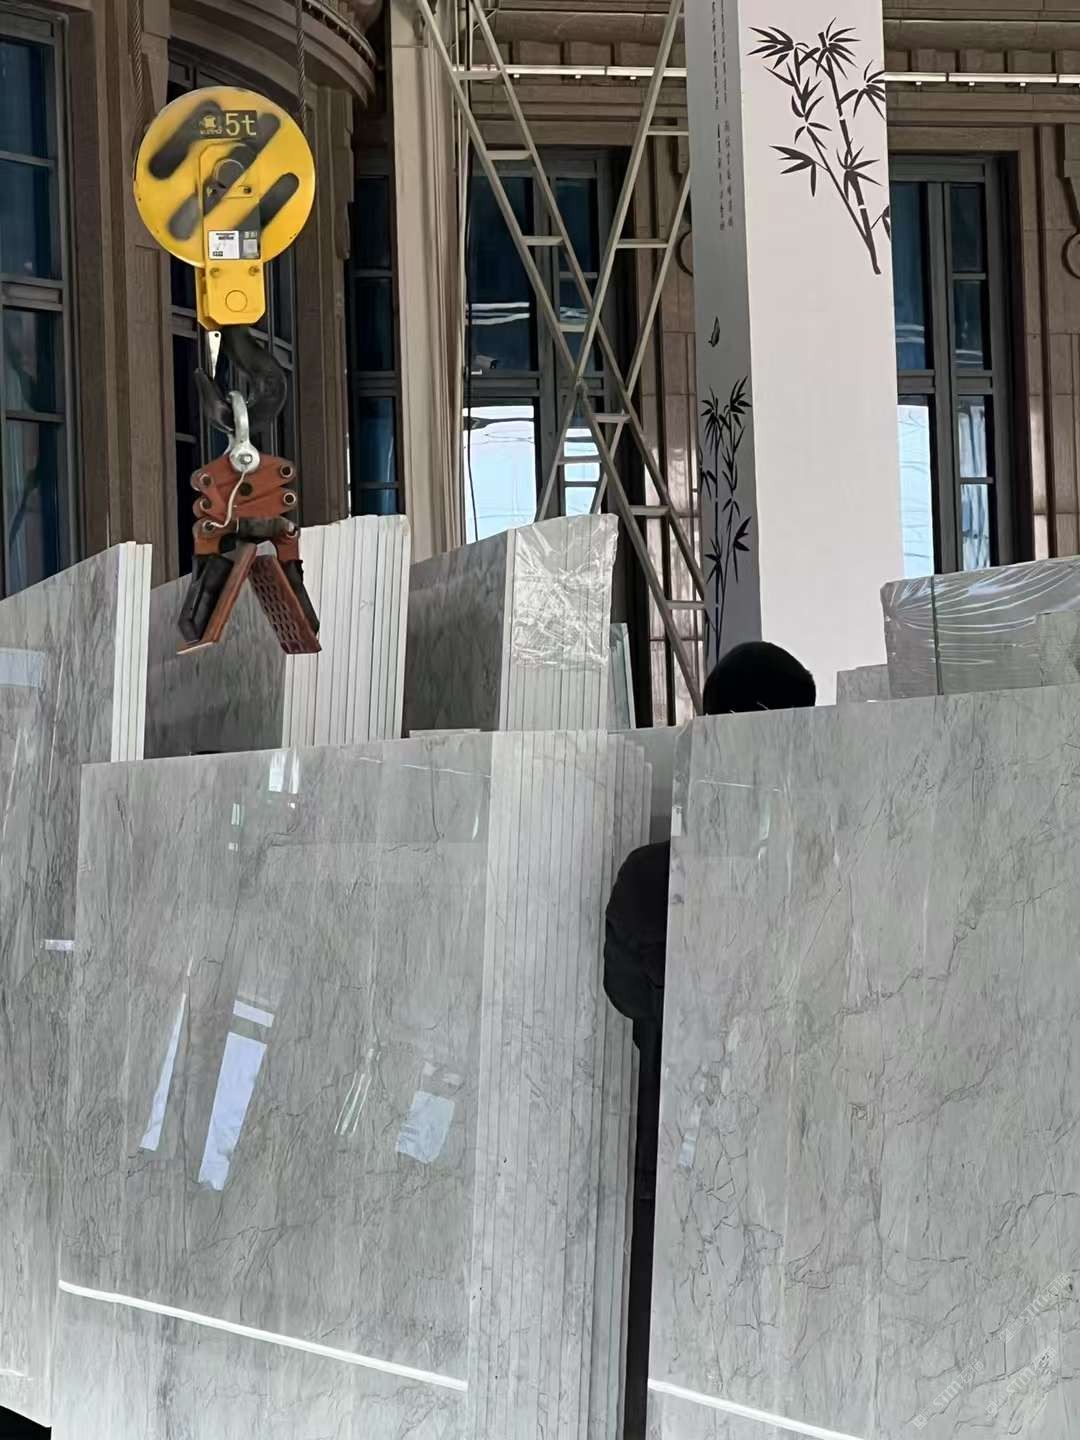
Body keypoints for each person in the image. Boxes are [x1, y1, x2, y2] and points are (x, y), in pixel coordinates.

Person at [604, 640, 815, 1438]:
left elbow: (629, 998)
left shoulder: (652, 876)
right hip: (765, 1185)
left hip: (676, 1172)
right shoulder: (809, 873)